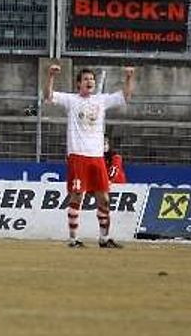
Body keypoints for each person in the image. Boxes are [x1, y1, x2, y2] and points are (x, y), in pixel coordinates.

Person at [44, 64, 134, 248]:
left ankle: (104, 239)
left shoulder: (101, 100)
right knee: (77, 196)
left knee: (104, 199)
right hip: (78, 155)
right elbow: (48, 96)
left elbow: (125, 96)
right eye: (85, 79)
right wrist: (50, 76)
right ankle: (73, 239)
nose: (89, 81)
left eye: (91, 79)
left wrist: (128, 78)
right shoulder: (72, 100)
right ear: (79, 84)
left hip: (97, 157)